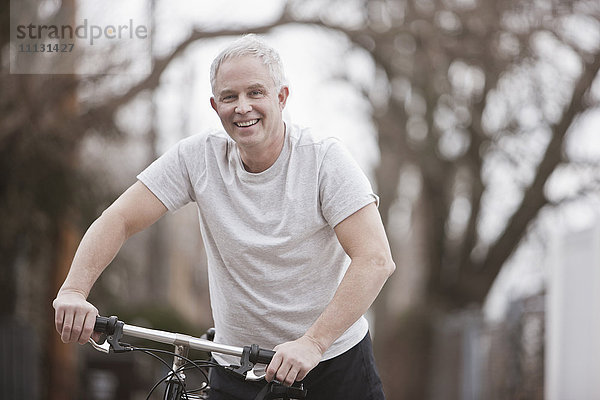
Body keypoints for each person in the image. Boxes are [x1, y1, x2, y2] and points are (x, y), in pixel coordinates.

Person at [53, 34, 395, 400]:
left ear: (281, 97)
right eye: (230, 97)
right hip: (236, 368)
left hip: (332, 366)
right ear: (216, 106)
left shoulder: (324, 160)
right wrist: (74, 290)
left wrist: (313, 343)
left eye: (256, 93)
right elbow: (119, 218)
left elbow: (375, 259)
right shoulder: (197, 157)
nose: (243, 107)